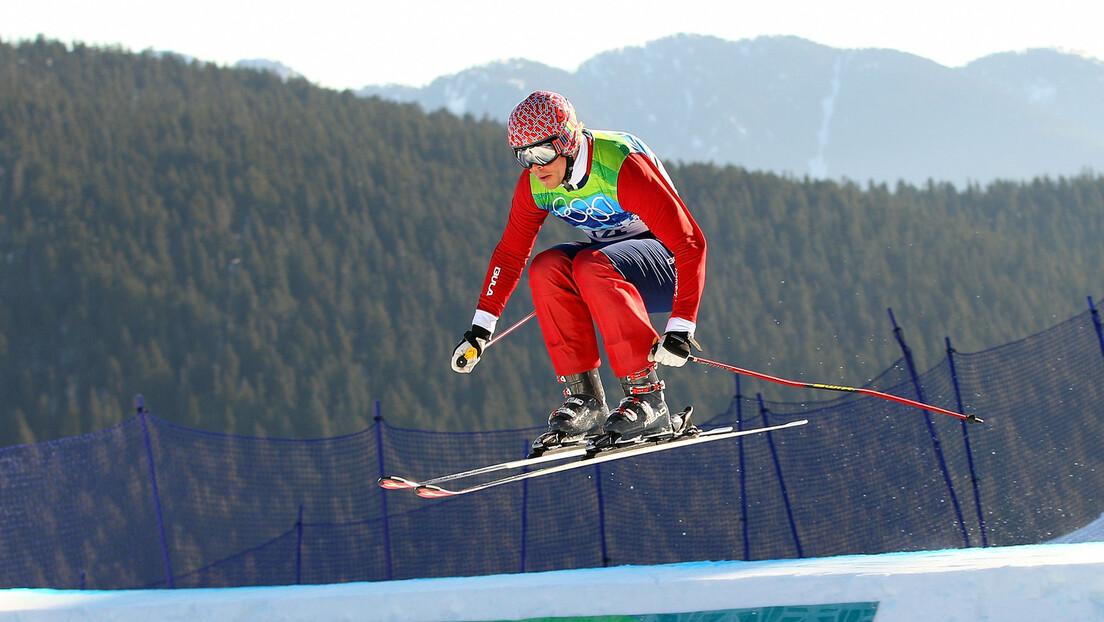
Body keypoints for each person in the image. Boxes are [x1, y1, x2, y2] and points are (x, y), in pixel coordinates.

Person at [450, 90, 707, 453]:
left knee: (589, 264)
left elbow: (690, 242)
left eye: (541, 152)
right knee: (546, 267)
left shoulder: (620, 165)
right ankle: (586, 399)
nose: (534, 166)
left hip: (668, 265)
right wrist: (479, 331)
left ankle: (647, 398)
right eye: (522, 156)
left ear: (567, 140)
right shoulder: (536, 184)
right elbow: (510, 254)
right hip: (609, 266)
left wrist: (681, 328)